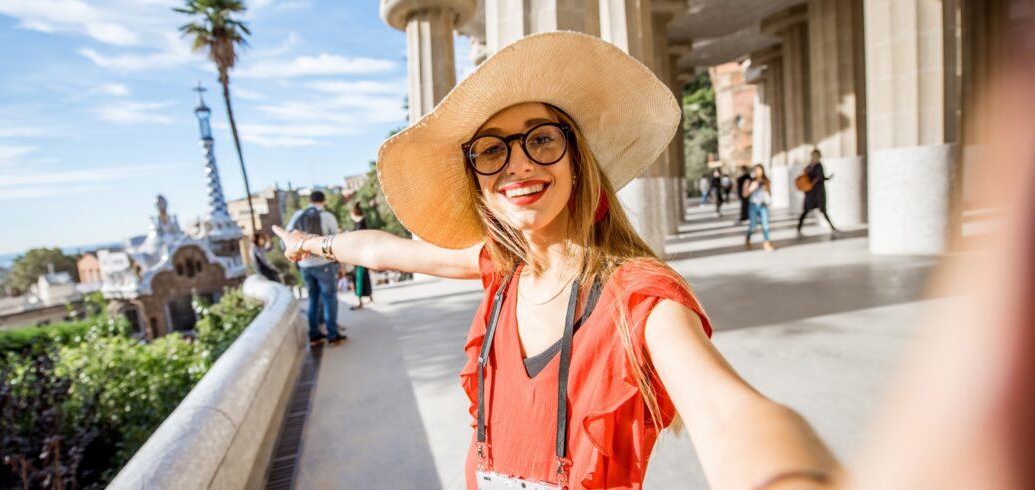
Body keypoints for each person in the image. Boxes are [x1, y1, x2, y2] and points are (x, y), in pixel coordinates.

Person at [274, 32, 839, 490]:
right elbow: (378, 248)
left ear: (577, 159)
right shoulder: (502, 268)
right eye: (492, 150)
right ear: (478, 180)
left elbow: (729, 415)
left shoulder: (639, 296)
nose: (518, 165)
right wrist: (307, 246)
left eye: (541, 139)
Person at [284, 190, 347, 346]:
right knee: (329, 298)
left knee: (313, 299)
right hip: (324, 264)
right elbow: (337, 242)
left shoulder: (297, 215)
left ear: (310, 201)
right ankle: (333, 336)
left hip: (304, 265)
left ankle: (315, 335)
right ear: (323, 201)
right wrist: (341, 266)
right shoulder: (327, 216)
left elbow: (288, 238)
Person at [797, 149, 839, 236]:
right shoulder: (817, 166)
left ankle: (799, 228)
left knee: (809, 211)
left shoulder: (809, 166)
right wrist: (828, 178)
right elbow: (821, 177)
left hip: (811, 192)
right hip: (817, 192)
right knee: (819, 211)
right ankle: (832, 227)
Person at [743, 164, 775, 252]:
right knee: (753, 226)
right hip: (753, 206)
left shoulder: (766, 181)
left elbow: (771, 193)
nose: (758, 172)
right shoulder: (749, 181)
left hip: (763, 205)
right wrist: (751, 188)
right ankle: (748, 237)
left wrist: (766, 189)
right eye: (756, 170)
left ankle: (767, 242)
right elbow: (744, 195)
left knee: (765, 224)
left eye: (760, 170)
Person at [349, 202, 374, 310]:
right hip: (363, 256)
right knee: (364, 277)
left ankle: (359, 301)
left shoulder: (360, 225)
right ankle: (369, 297)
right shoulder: (362, 224)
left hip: (360, 257)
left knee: (358, 278)